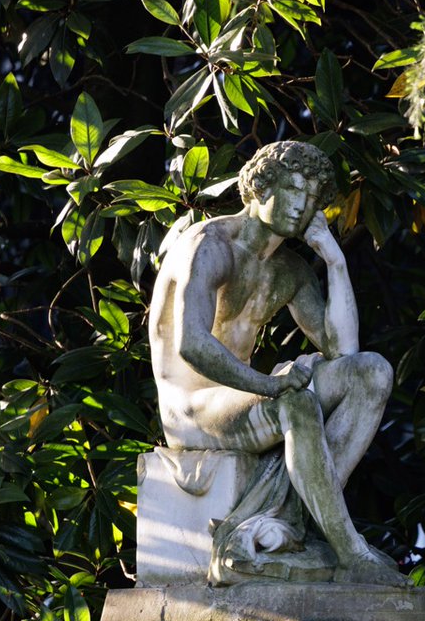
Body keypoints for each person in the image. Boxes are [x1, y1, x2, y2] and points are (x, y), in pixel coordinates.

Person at [148, 141, 404, 586]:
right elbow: (192, 343)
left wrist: (334, 259)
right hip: (191, 408)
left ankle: (285, 524)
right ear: (260, 187)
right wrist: (270, 385)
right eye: (293, 189)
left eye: (311, 196)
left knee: (372, 372)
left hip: (241, 398)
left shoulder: (288, 269)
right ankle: (350, 552)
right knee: (296, 403)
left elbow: (344, 353)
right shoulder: (210, 246)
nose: (302, 205)